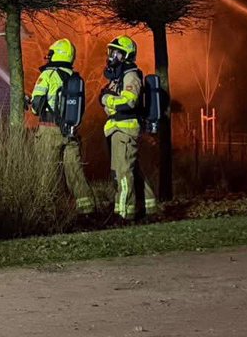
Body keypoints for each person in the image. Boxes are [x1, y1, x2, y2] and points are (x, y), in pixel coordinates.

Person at [28, 38, 96, 213]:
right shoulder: (75, 78)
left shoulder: (48, 75)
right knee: (75, 172)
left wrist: (30, 102)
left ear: (57, 54)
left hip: (49, 131)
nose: (48, 58)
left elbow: (36, 107)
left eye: (50, 54)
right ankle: (87, 209)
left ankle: (46, 212)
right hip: (71, 131)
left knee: (46, 172)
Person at [100, 35, 157, 220]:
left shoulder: (130, 75)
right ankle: (149, 208)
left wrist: (107, 99)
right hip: (118, 128)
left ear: (125, 55)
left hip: (124, 129)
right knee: (131, 171)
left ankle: (124, 213)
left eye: (115, 52)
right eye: (111, 51)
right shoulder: (119, 76)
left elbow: (128, 102)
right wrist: (108, 100)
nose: (111, 56)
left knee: (123, 173)